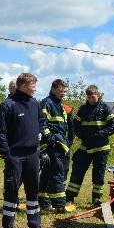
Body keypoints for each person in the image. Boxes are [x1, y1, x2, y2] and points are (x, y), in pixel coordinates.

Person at [0, 72, 48, 228]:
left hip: (33, 154)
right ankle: (8, 227)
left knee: (33, 191)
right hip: (15, 156)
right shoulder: (7, 105)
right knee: (11, 191)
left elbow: (42, 121)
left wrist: (40, 132)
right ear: (23, 86)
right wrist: (6, 153)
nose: (35, 89)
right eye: (33, 86)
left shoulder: (34, 103)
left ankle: (34, 225)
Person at [65, 85, 114, 207]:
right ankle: (70, 197)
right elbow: (75, 125)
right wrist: (81, 135)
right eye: (88, 97)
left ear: (98, 95)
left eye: (92, 97)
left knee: (98, 174)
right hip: (86, 146)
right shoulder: (83, 109)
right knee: (77, 171)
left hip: (101, 148)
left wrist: (99, 134)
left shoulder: (105, 109)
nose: (90, 99)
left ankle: (96, 199)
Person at [38, 79, 74, 213]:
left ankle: (44, 203)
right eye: (61, 91)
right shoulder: (47, 103)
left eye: (65, 91)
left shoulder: (59, 105)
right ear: (53, 89)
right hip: (52, 145)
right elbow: (42, 123)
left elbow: (66, 127)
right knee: (57, 174)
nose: (63, 93)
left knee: (47, 174)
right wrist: (50, 138)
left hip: (58, 144)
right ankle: (60, 205)